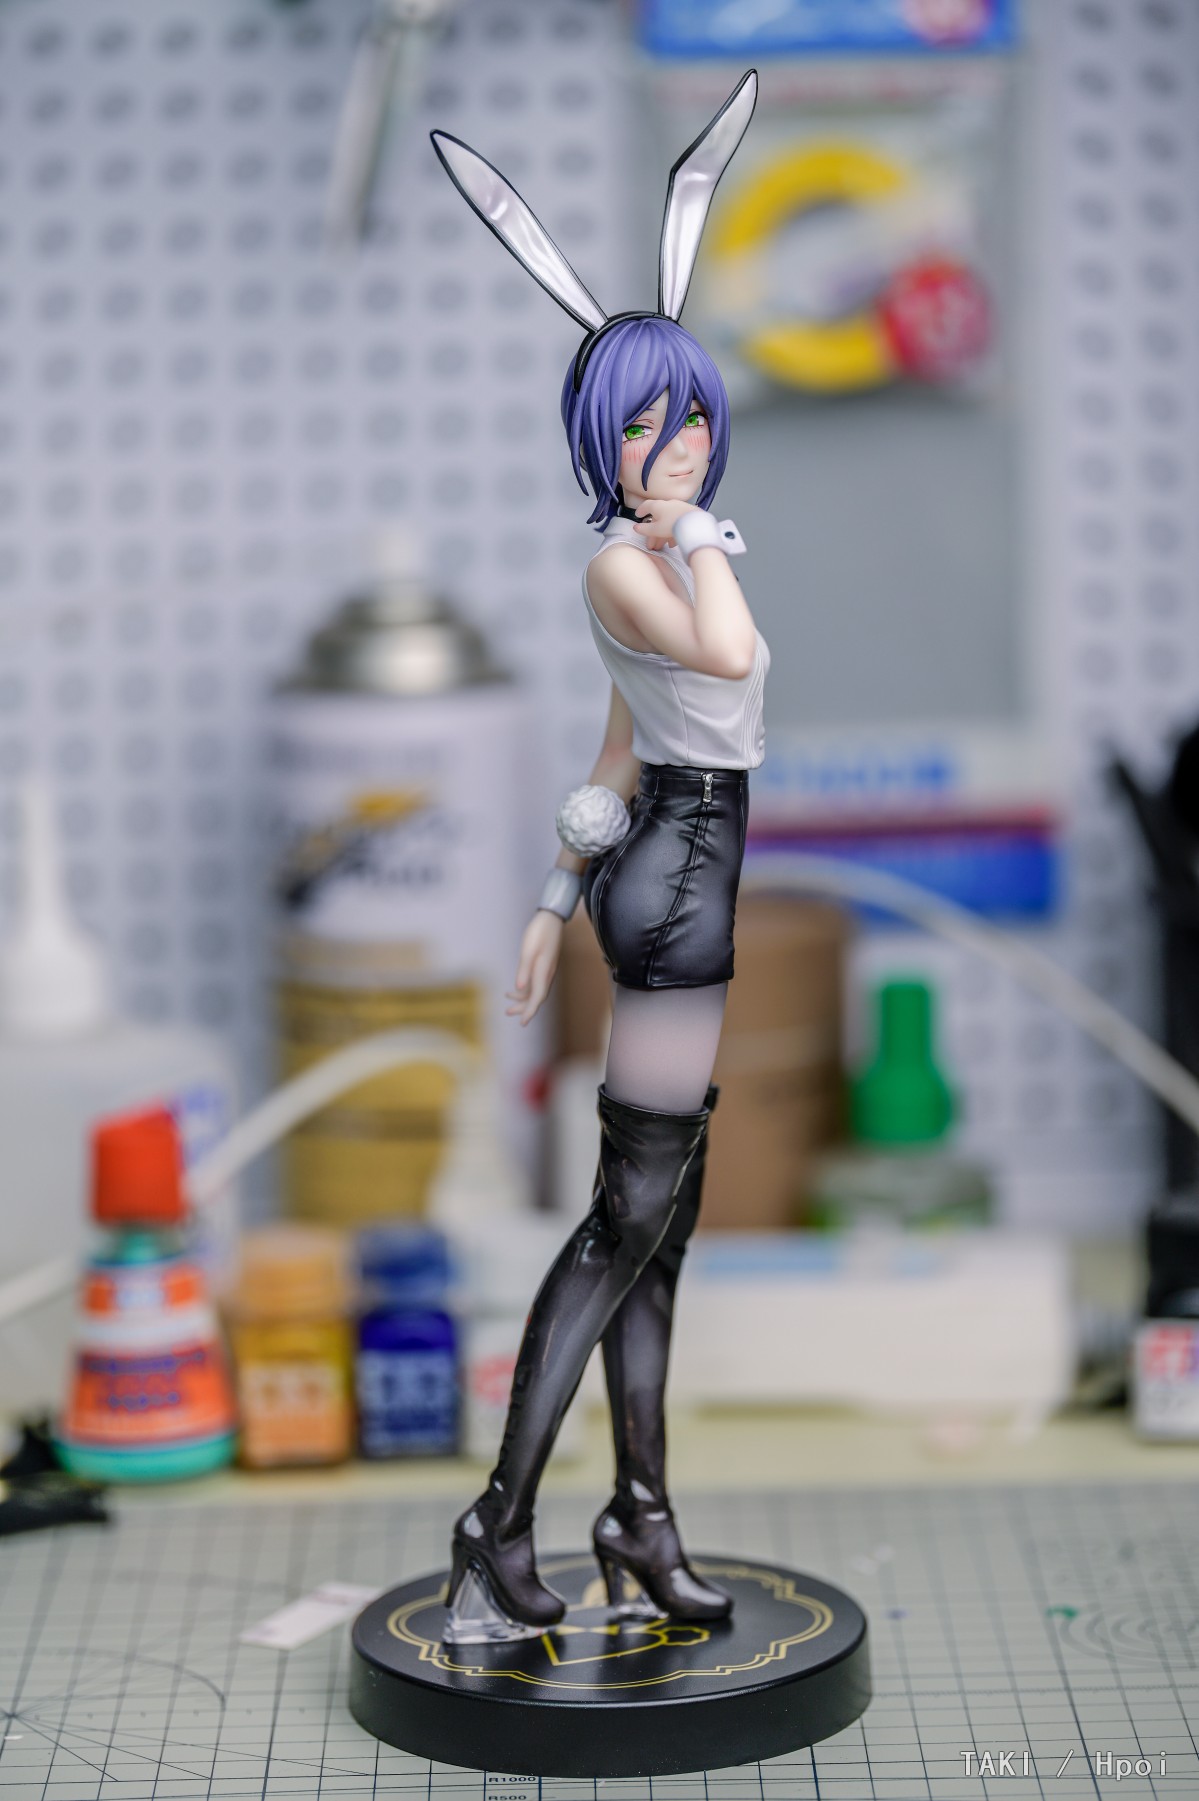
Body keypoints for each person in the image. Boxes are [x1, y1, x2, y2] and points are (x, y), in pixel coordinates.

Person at [432, 72, 764, 1644]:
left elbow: (621, 741)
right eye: (644, 423)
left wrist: (551, 900)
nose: (676, 445)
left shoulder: (653, 567)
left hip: (669, 865)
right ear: (601, 441)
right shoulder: (636, 570)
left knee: (661, 1219)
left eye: (689, 415)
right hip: (682, 893)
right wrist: (697, 534)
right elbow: (726, 652)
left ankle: (640, 1511)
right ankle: (498, 1521)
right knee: (626, 1216)